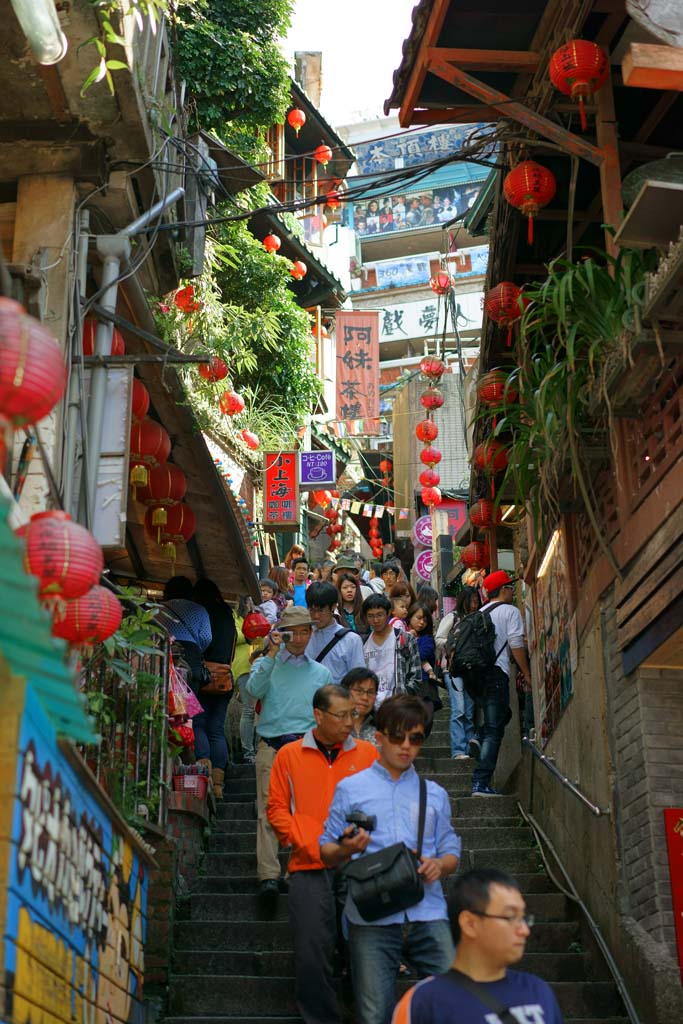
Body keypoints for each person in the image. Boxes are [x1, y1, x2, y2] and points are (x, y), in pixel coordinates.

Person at [321, 695, 461, 1024]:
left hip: (428, 911)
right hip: (372, 917)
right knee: (373, 1016)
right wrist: (347, 849)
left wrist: (440, 865)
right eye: (397, 736)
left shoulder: (435, 793)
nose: (406, 746)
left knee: (455, 1006)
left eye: (415, 738)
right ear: (379, 737)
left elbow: (450, 849)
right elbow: (325, 849)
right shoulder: (350, 788)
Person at [267, 684, 378, 1024]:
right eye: (341, 715)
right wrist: (307, 842)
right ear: (318, 714)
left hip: (361, 865)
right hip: (309, 863)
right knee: (311, 953)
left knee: (366, 952)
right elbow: (276, 809)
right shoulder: (289, 755)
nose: (349, 722)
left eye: (353, 715)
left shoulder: (367, 754)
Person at [392, 869, 564, 1024]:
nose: (524, 930)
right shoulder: (424, 1002)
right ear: (470, 924)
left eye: (523, 918)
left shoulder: (538, 991)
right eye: (510, 917)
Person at [245, 606, 333, 895]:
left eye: (304, 630)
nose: (298, 637)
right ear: (281, 633)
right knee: (267, 810)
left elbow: (327, 714)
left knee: (305, 812)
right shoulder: (266, 664)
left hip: (306, 748)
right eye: (291, 631)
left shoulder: (321, 673)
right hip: (271, 745)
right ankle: (268, 875)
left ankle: (296, 869)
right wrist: (270, 654)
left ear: (311, 632)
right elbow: (253, 691)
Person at [471, 571, 531, 797]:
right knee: (495, 730)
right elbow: (516, 644)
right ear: (503, 589)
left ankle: (478, 735)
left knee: (501, 715)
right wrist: (526, 673)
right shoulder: (510, 611)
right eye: (510, 587)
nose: (512, 591)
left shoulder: (479, 612)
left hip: (476, 677)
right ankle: (480, 782)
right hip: (496, 674)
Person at [192, 578, 236, 797]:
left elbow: (202, 642)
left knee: (197, 724)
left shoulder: (200, 613)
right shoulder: (228, 615)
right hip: (224, 678)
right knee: (216, 730)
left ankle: (204, 780)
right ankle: (218, 785)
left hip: (203, 677)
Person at [362, 593, 422, 708]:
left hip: (398, 707)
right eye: (370, 616)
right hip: (371, 708)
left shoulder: (405, 639)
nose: (375, 620)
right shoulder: (362, 643)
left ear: (388, 613)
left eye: (380, 615)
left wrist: (404, 696)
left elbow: (416, 676)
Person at [443, 587, 481, 760]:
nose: (474, 604)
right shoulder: (453, 618)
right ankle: (458, 750)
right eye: (471, 601)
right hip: (453, 669)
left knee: (469, 710)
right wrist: (458, 645)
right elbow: (439, 639)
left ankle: (467, 747)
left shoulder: (478, 619)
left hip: (471, 669)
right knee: (458, 709)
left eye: (476, 601)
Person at [305, 581, 366, 683]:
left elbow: (358, 680)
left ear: (333, 606)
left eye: (320, 610)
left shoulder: (351, 640)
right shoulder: (303, 636)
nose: (315, 616)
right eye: (311, 610)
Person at [232, 596, 257, 763]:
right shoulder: (233, 616)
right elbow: (235, 636)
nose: (249, 603)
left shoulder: (252, 616)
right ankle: (249, 753)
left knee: (257, 710)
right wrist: (251, 633)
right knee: (249, 710)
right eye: (246, 600)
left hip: (258, 666)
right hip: (242, 667)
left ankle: (256, 750)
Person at [344, 667, 380, 745]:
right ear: (345, 691)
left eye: (370, 692)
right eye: (359, 691)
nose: (365, 698)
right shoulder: (335, 726)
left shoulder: (382, 729)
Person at [337, 572, 367, 636]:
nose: (349, 590)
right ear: (339, 590)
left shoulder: (365, 610)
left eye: (353, 587)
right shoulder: (336, 613)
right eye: (345, 587)